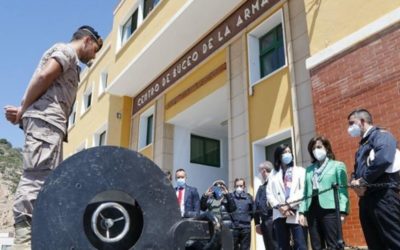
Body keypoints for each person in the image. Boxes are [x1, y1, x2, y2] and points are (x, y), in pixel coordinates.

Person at [4, 25, 102, 249]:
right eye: (94, 50)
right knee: (35, 180)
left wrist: (24, 111)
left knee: (46, 183)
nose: (94, 56)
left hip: (51, 127)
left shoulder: (72, 61)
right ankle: (23, 243)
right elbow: (44, 76)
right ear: (86, 40)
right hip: (46, 125)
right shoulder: (66, 51)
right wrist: (22, 110)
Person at [348, 108, 400, 249]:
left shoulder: (381, 136)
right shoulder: (361, 146)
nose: (349, 128)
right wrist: (354, 183)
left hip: (383, 197)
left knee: (393, 241)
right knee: (375, 243)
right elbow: (356, 171)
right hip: (366, 200)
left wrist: (363, 181)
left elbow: (384, 158)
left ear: (363, 121)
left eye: (352, 123)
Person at [299, 136, 349, 250]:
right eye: (313, 148)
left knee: (334, 244)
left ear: (326, 148)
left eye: (319, 147)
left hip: (330, 210)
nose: (316, 150)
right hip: (312, 209)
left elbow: (343, 190)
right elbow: (305, 192)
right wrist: (302, 211)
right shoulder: (309, 170)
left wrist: (342, 211)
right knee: (316, 245)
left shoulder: (338, 165)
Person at [266, 144, 307, 250]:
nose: (287, 154)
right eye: (284, 152)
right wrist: (280, 207)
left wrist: (288, 205)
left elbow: (303, 190)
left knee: (300, 244)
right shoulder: (273, 174)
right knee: (282, 246)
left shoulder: (300, 171)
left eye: (289, 152)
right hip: (279, 213)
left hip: (296, 211)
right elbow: (269, 193)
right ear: (279, 156)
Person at [254, 161, 278, 250]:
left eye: (259, 172)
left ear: (264, 171)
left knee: (277, 246)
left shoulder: (276, 181)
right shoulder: (261, 188)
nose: (259, 174)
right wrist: (257, 223)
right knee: (269, 247)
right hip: (265, 223)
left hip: (276, 219)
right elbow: (256, 206)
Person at [230, 178, 254, 250]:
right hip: (234, 227)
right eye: (237, 186)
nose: (239, 188)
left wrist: (247, 219)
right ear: (234, 186)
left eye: (241, 186)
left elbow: (253, 212)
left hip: (246, 227)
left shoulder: (249, 197)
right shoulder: (230, 197)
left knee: (245, 248)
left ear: (244, 186)